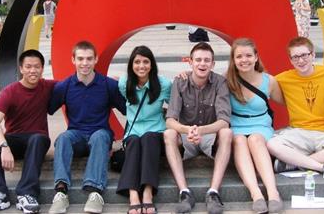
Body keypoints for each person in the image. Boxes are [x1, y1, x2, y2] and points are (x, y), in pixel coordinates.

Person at [48, 41, 126, 214]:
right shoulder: (65, 86)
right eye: (80, 59)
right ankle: (61, 192)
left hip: (100, 133)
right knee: (63, 138)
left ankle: (95, 192)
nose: (85, 63)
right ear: (73, 60)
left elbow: (128, 109)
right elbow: (48, 108)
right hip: (76, 135)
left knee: (100, 136)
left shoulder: (108, 85)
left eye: (89, 59)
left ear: (96, 59)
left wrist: (125, 83)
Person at [0, 49, 55, 214]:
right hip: (14, 139)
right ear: (21, 68)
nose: (32, 70)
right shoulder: (10, 92)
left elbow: (74, 82)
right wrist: (4, 146)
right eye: (28, 67)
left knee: (38, 138)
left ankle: (27, 194)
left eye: (37, 67)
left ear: (42, 68)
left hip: (37, 140)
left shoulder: (48, 86)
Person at [267, 37, 324, 179]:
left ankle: (293, 164)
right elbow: (260, 84)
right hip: (299, 132)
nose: (300, 61)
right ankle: (322, 167)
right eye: (295, 57)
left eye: (304, 55)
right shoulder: (283, 79)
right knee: (272, 144)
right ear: (290, 60)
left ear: (313, 55)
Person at [164, 42, 232, 214]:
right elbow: (170, 120)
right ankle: (184, 192)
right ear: (190, 62)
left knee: (226, 132)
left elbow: (224, 121)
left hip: (210, 135)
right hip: (186, 136)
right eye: (198, 60)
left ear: (213, 64)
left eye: (207, 60)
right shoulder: (180, 81)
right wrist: (188, 130)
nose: (202, 64)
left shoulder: (220, 83)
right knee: (169, 133)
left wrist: (201, 131)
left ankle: (213, 192)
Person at [225, 38, 284, 214]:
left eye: (248, 55)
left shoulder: (269, 81)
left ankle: (273, 193)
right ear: (233, 59)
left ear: (256, 57)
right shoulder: (226, 80)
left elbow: (287, 102)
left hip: (261, 125)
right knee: (239, 141)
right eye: (239, 56)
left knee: (255, 139)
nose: (244, 60)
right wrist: (185, 75)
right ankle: (256, 193)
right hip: (237, 125)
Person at [117, 46, 172, 214]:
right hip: (133, 131)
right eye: (137, 62)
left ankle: (148, 193)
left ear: (152, 64)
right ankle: (133, 194)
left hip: (156, 130)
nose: (141, 66)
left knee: (148, 138)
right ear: (131, 65)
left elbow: (175, 104)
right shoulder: (124, 83)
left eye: (146, 62)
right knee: (134, 141)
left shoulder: (164, 84)